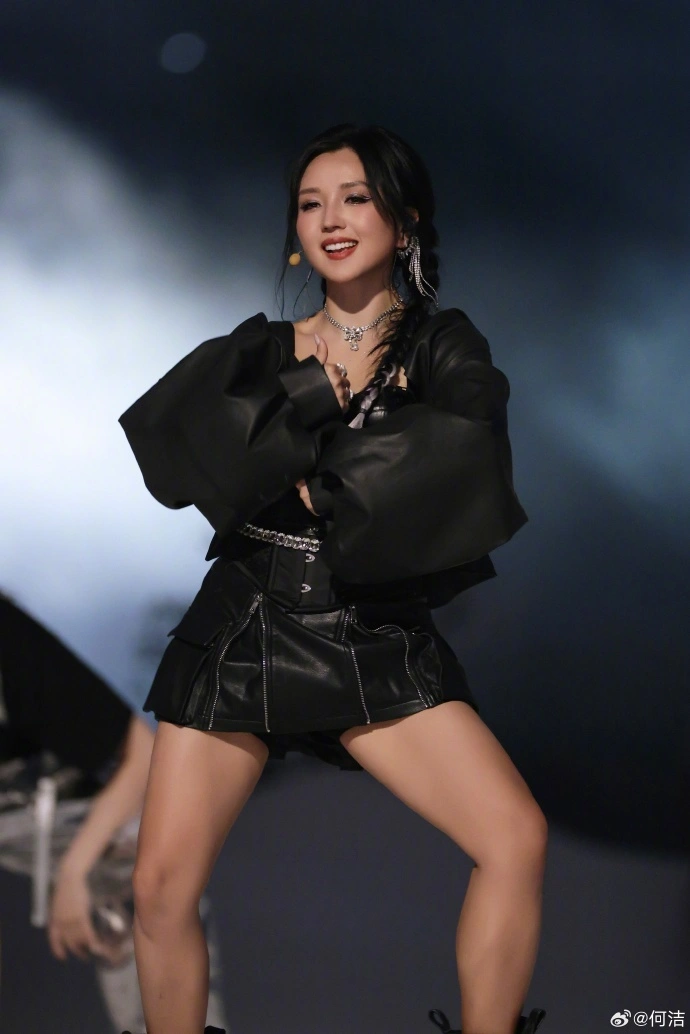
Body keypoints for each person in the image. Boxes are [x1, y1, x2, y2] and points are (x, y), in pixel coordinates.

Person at [119, 123, 548, 1034]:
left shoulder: (442, 346)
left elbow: (468, 447)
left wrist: (324, 480)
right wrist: (307, 412)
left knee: (514, 839)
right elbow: (187, 457)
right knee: (158, 888)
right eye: (311, 205)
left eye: (355, 198)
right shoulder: (261, 351)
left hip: (367, 629)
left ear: (406, 219)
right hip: (243, 620)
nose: (331, 220)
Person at [0, 590, 228, 1033]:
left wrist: (74, 872)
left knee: (143, 882)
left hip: (64, 820)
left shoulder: (9, 640)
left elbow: (141, 756)